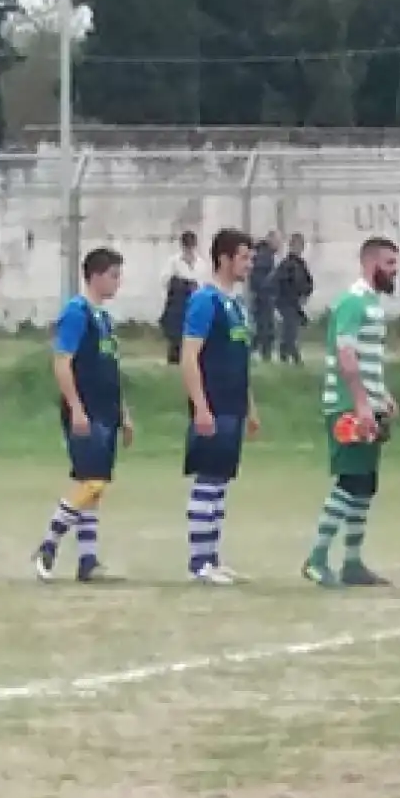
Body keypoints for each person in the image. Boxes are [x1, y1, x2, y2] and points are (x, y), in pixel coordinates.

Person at [32, 248, 133, 584]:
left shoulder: (104, 318)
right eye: (114, 275)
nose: (118, 283)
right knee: (93, 480)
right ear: (96, 275)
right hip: (86, 409)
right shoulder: (77, 312)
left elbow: (111, 369)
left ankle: (87, 560)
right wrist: (75, 407)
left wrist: (124, 413)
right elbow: (62, 361)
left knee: (94, 488)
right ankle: (49, 542)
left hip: (106, 409)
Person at [305, 237, 400, 588]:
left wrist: (381, 396)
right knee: (349, 481)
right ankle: (316, 558)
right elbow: (346, 355)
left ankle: (352, 561)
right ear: (370, 263)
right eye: (389, 264)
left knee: (365, 485)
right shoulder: (353, 302)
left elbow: (366, 357)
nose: (394, 271)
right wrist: (361, 402)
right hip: (347, 406)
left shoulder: (372, 305)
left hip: (366, 405)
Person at [182, 228, 261, 585]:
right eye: (244, 257)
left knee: (221, 482)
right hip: (212, 403)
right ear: (225, 259)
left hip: (233, 404)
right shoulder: (205, 301)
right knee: (207, 480)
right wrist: (200, 405)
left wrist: (251, 406)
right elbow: (189, 356)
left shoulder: (237, 305)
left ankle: (213, 557)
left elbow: (240, 360)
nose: (249, 264)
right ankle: (199, 561)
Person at [160, 230, 202, 365]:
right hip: (178, 302)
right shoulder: (174, 262)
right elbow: (164, 280)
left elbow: (204, 281)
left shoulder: (201, 263)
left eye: (191, 246)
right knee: (176, 333)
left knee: (192, 333)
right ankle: (174, 359)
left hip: (195, 301)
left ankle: (191, 360)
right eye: (187, 247)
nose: (189, 250)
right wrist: (181, 283)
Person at [275, 233, 315, 365]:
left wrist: (305, 294)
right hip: (287, 302)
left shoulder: (300, 264)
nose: (299, 248)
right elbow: (281, 283)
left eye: (301, 245)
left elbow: (308, 282)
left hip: (295, 302)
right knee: (290, 331)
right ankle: (293, 358)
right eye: (297, 245)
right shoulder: (286, 265)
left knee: (292, 331)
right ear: (291, 245)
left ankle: (286, 356)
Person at [250, 230, 281, 361]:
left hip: (263, 295)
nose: (279, 245)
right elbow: (260, 277)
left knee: (263, 325)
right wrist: (269, 288)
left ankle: (260, 351)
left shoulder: (266, 254)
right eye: (277, 241)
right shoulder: (264, 255)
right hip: (264, 296)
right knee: (265, 326)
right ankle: (263, 353)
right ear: (270, 241)